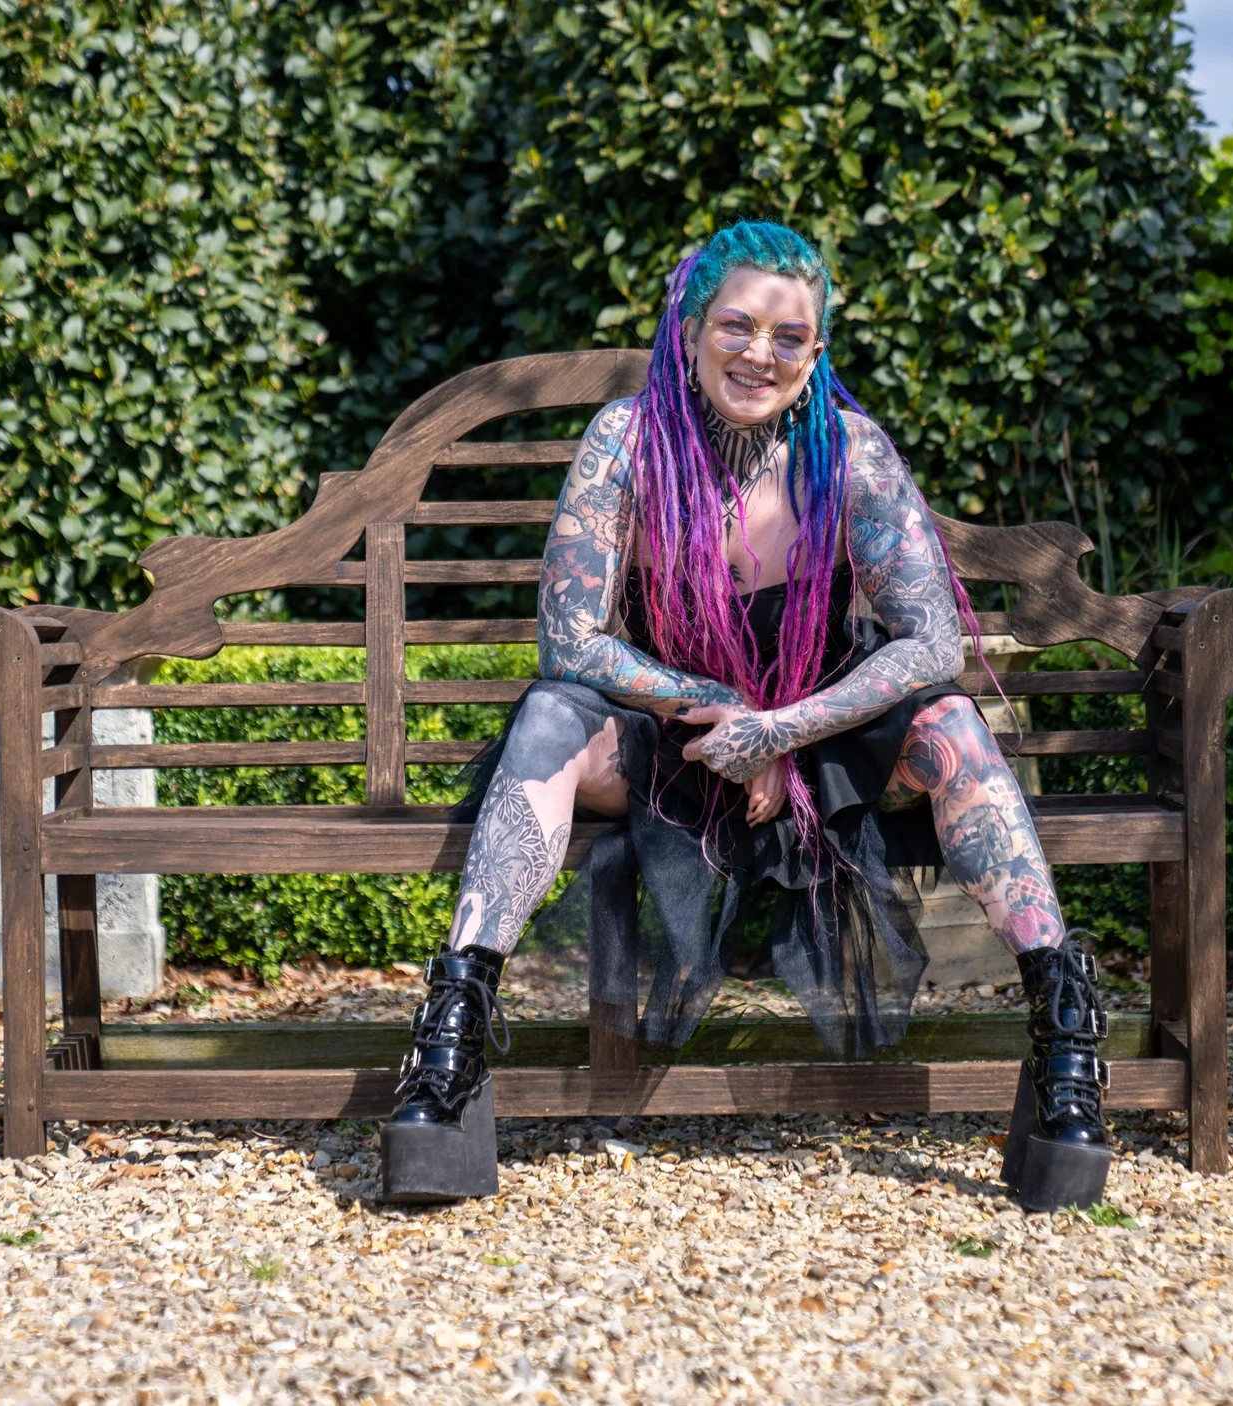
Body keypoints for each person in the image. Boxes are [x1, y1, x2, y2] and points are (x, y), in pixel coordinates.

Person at [379, 221, 1111, 1211]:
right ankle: (450, 1041)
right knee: (551, 713)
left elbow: (932, 640)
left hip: (824, 726)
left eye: (788, 336)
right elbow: (571, 636)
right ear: (689, 330)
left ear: (815, 357)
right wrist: (727, 710)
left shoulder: (850, 454)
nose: (758, 352)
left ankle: (1065, 1042)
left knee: (949, 722)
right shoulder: (627, 441)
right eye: (737, 324)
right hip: (669, 729)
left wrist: (782, 729)